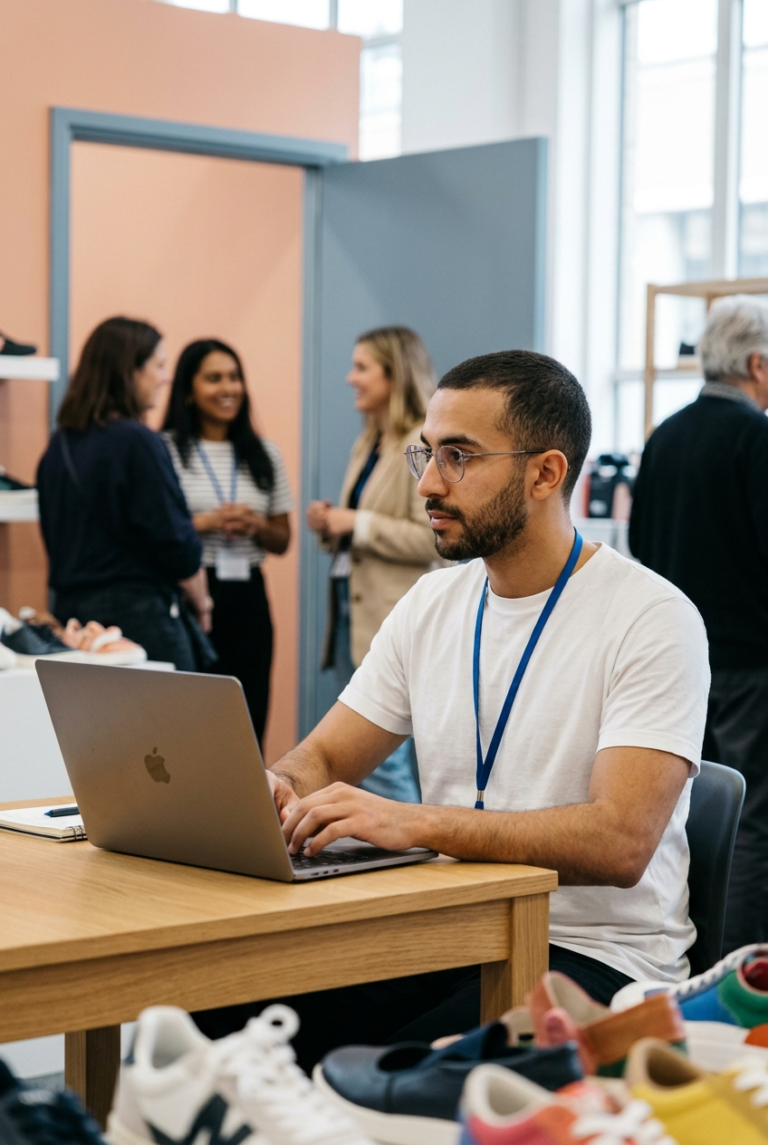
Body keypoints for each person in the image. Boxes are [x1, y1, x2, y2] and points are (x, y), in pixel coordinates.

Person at [195, 350, 709, 1069]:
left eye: (459, 457)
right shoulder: (435, 603)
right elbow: (323, 757)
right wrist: (278, 788)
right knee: (218, 1010)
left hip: (598, 962)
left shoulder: (652, 616)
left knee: (361, 1064)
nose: (430, 483)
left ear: (546, 473)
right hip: (452, 928)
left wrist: (413, 822)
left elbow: (619, 841)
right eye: (427, 453)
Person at [629, 295, 768, 954]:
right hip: (748, 663)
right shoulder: (757, 437)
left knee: (692, 813)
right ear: (757, 364)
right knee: (752, 821)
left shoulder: (665, 436)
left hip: (677, 659)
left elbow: (640, 546)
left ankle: (692, 949)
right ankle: (735, 970)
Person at [306, 326, 438, 803]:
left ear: (394, 373)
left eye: (361, 367)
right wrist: (331, 525)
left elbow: (433, 539)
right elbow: (359, 529)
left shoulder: (419, 443)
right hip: (351, 613)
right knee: (365, 753)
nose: (349, 378)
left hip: (392, 615)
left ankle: (407, 856)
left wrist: (357, 523)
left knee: (383, 763)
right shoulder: (368, 442)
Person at [37, 317, 209, 669]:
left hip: (74, 623)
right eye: (159, 365)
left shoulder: (58, 447)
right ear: (130, 370)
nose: (166, 377)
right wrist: (203, 604)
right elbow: (178, 546)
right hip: (138, 623)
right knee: (168, 723)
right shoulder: (138, 442)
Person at [163, 339, 293, 746]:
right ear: (188, 389)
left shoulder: (264, 453)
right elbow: (157, 530)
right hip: (191, 596)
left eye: (235, 377)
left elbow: (282, 538)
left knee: (247, 718)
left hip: (248, 596)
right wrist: (204, 522)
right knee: (187, 723)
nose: (228, 388)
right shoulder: (164, 450)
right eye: (214, 378)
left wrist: (255, 525)